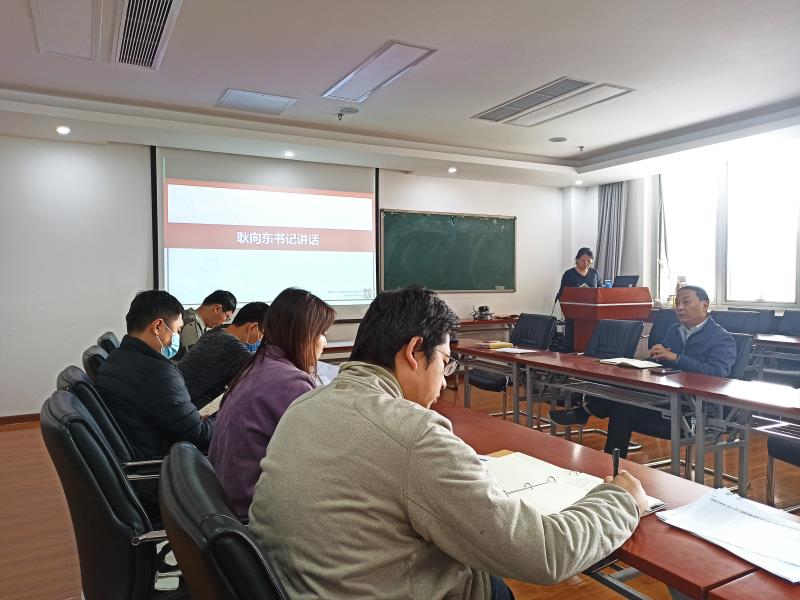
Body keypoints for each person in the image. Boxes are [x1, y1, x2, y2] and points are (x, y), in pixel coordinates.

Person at [248, 286, 647, 599]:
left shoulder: (305, 405)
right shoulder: (413, 434)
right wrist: (620, 500)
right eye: (444, 361)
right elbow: (544, 554)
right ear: (413, 352)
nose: (444, 381)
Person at [549, 285, 737, 457]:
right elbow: (663, 363)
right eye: (677, 303)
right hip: (664, 398)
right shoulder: (674, 330)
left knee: (622, 403)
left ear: (705, 305)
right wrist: (648, 361)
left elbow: (717, 373)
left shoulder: (722, 338)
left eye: (686, 302)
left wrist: (676, 358)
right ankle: (612, 465)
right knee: (622, 402)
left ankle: (585, 412)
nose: (679, 308)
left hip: (693, 410)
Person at [208, 288, 335, 519]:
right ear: (303, 334)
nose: (324, 342)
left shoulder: (261, 363)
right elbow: (320, 459)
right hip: (253, 511)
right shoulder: (292, 382)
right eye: (321, 333)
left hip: (228, 500)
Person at [95, 290, 215, 460]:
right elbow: (199, 437)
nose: (178, 337)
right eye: (178, 330)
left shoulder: (117, 357)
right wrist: (223, 417)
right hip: (164, 464)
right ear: (158, 326)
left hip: (143, 446)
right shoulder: (158, 374)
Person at [177, 301, 269, 410]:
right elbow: (262, 381)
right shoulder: (233, 347)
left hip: (177, 400)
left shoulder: (213, 333)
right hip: (190, 410)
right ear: (252, 327)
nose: (262, 339)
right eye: (264, 333)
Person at [558, 247, 602, 352]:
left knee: (589, 341)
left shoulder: (594, 273)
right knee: (571, 340)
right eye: (583, 260)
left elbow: (600, 290)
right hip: (574, 313)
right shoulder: (569, 274)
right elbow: (562, 294)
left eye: (589, 261)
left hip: (591, 313)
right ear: (577, 260)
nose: (586, 263)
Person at [177, 289, 237, 358]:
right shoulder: (192, 321)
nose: (223, 323)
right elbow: (196, 359)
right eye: (227, 317)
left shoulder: (192, 319)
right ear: (217, 309)